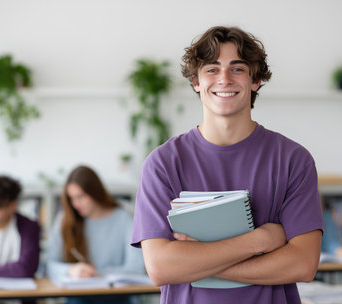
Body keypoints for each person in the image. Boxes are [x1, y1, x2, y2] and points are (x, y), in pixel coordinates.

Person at [131, 26, 324, 303]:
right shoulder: (162, 163)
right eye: (211, 69)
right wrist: (259, 241)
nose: (224, 79)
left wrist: (198, 262)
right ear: (196, 82)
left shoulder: (293, 159)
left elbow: (303, 265)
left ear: (255, 80)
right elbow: (161, 267)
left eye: (237, 69)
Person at [46, 165, 145, 304]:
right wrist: (71, 270)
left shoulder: (123, 218)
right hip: (79, 296)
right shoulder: (65, 220)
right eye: (71, 198)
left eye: (80, 197)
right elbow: (49, 265)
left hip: (117, 296)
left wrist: (97, 273)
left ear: (95, 192)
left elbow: (136, 268)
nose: (75, 204)